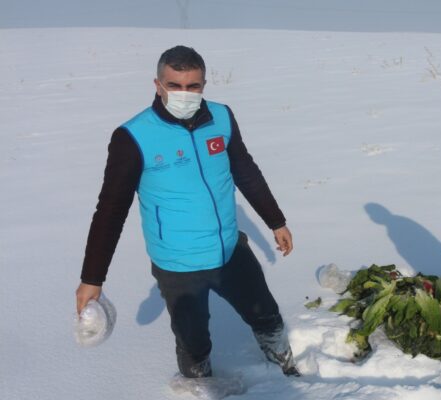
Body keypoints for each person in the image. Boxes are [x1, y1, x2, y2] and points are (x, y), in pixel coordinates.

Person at [75, 45, 300, 378]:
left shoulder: (221, 117)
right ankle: (199, 383)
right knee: (193, 339)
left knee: (266, 313)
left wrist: (275, 220)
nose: (184, 93)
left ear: (204, 85)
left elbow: (244, 170)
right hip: (177, 264)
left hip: (228, 248)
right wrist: (92, 278)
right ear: (158, 85)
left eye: (193, 86)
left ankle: (281, 359)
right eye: (174, 85)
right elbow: (110, 210)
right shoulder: (133, 136)